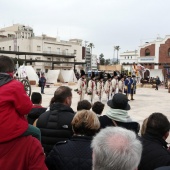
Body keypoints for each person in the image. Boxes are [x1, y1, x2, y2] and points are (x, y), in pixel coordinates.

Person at [0, 55, 40, 142]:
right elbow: (26, 109)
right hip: (7, 129)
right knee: (37, 132)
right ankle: (38, 154)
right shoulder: (15, 85)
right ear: (12, 70)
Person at [36, 86, 75, 156]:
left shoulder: (42, 117)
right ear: (67, 100)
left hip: (45, 160)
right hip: (64, 160)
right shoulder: (73, 119)